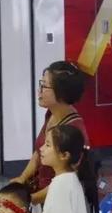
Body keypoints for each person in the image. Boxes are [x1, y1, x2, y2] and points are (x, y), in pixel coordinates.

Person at [11, 61, 88, 205]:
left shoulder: (73, 130)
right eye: (40, 84)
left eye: (44, 86)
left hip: (61, 202)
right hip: (43, 195)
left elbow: (66, 181)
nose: (39, 91)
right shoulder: (51, 114)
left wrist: (30, 199)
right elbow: (38, 152)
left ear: (61, 93)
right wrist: (22, 178)